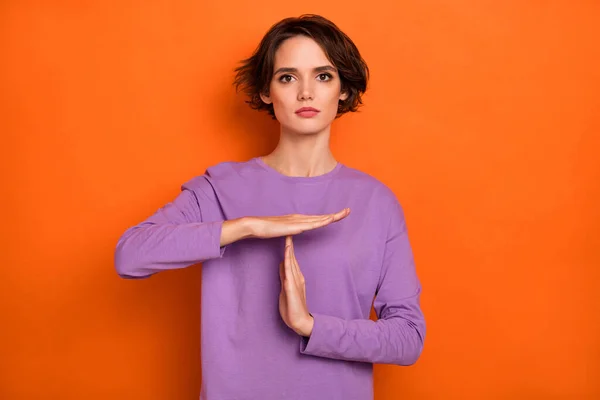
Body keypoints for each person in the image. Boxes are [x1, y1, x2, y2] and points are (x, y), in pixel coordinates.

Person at [114, 14, 426, 400]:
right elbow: (129, 256)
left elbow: (408, 337)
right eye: (288, 77)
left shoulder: (376, 202)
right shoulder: (219, 189)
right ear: (266, 91)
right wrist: (245, 227)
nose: (306, 92)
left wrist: (310, 326)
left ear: (343, 90)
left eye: (323, 76)